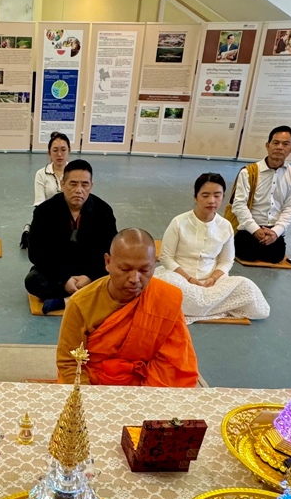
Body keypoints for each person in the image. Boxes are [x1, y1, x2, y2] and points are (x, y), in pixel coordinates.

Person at [56, 229, 199, 387]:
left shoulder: (164, 298)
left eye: (144, 270)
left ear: (154, 264)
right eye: (125, 269)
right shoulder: (81, 303)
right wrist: (89, 396)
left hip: (145, 383)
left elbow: (171, 362)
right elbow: (69, 362)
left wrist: (147, 396)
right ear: (108, 262)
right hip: (93, 383)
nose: (135, 279)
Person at [156, 173, 270, 321]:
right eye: (205, 195)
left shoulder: (225, 226)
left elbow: (226, 261)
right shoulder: (178, 222)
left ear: (223, 197)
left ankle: (195, 307)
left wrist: (213, 278)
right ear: (195, 197)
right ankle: (209, 307)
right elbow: (166, 258)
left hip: (212, 283)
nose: (211, 200)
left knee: (247, 288)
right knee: (165, 285)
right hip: (179, 278)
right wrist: (189, 279)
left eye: (217, 195)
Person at [25, 160, 117, 314]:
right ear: (62, 184)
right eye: (73, 184)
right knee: (33, 281)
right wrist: (64, 279)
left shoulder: (103, 211)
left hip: (90, 271)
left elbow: (111, 251)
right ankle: (87, 297)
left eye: (84, 184)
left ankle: (65, 301)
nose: (79, 190)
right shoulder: (44, 211)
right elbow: (36, 253)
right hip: (59, 270)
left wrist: (89, 276)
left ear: (91, 186)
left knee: (118, 279)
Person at [229, 126, 291, 264]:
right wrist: (255, 229)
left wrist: (276, 232)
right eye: (276, 143)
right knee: (246, 254)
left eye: (285, 144)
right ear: (268, 145)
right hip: (249, 228)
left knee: (275, 257)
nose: (279, 147)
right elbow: (239, 205)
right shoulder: (248, 172)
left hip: (272, 230)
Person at [21, 132, 70, 249]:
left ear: (69, 151)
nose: (59, 154)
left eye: (63, 150)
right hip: (49, 217)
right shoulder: (41, 174)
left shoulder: (75, 172)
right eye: (55, 150)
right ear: (49, 153)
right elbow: (39, 204)